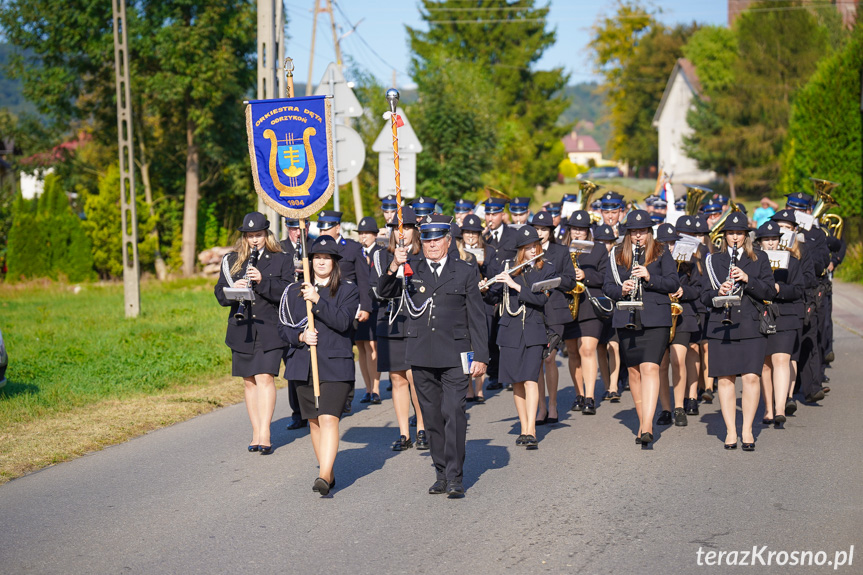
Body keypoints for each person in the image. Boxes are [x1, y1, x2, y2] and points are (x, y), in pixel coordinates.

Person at [379, 214, 489, 498]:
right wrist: (395, 264)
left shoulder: (464, 270)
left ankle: (455, 476)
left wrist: (482, 356)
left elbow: (477, 316)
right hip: (422, 353)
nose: (432, 245)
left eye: (438, 239)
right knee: (432, 417)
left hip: (455, 353)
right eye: (427, 240)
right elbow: (384, 292)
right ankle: (440, 472)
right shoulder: (409, 268)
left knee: (453, 412)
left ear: (449, 241)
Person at [279, 236, 359, 495]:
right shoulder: (294, 291)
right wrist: (301, 337)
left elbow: (345, 323)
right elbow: (283, 328)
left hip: (335, 365)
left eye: (327, 258)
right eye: (317, 258)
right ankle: (329, 471)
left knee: (328, 417)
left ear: (335, 263)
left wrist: (317, 300)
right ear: (310, 262)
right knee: (313, 421)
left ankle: (323, 475)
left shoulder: (347, 289)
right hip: (304, 365)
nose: (321, 262)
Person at [215, 212, 293, 454]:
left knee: (265, 378)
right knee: (249, 382)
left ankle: (266, 433)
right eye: (250, 236)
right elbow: (219, 294)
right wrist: (233, 289)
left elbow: (288, 292)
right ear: (244, 237)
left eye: (258, 235)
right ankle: (255, 431)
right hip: (242, 329)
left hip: (270, 329)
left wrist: (262, 281)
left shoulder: (282, 259)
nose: (254, 240)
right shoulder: (232, 260)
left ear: (266, 234)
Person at [603, 210, 679, 447]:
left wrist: (649, 277)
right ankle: (642, 421)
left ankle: (648, 425)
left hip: (655, 318)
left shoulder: (661, 252)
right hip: (627, 317)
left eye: (643, 231)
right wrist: (622, 289)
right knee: (634, 371)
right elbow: (607, 287)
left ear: (649, 232)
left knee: (650, 368)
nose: (638, 236)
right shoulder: (616, 254)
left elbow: (673, 283)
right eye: (634, 232)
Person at [701, 212, 776, 451]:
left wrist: (747, 278)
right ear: (724, 235)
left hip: (751, 325)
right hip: (721, 326)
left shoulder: (760, 258)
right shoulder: (713, 260)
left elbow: (769, 292)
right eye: (731, 233)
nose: (735, 237)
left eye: (740, 233)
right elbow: (703, 296)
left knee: (752, 377)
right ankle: (731, 431)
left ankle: (747, 430)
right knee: (725, 378)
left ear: (746, 236)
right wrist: (718, 293)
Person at [483, 226, 558, 449]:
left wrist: (515, 284)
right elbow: (494, 298)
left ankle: (531, 430)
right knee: (516, 381)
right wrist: (485, 290)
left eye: (535, 246)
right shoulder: (508, 268)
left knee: (530, 378)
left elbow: (541, 300)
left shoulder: (546, 270)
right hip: (509, 330)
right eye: (527, 248)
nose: (533, 251)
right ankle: (523, 426)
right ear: (520, 251)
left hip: (534, 330)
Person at [369, 207, 428, 451]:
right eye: (396, 228)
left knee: (417, 377)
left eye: (407, 227)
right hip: (391, 321)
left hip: (417, 320)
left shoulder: (425, 255)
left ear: (416, 230)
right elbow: (378, 290)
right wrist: (394, 265)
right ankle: (404, 432)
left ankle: (422, 427)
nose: (401, 232)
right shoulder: (382, 257)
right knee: (397, 378)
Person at [316, 210, 371, 414]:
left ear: (337, 227)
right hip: (322, 303)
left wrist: (365, 306)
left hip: (348, 305)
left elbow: (363, 279)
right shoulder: (316, 248)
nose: (323, 230)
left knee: (345, 348)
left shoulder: (353, 248)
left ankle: (345, 394)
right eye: (321, 227)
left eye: (327, 227)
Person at [755, 221, 804, 429]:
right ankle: (768, 407)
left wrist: (778, 289)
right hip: (760, 316)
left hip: (786, 316)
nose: (771, 243)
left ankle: (780, 408)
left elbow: (799, 289)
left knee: (781, 359)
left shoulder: (791, 262)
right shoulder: (753, 261)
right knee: (765, 364)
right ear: (760, 242)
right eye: (766, 240)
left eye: (774, 239)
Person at [530, 211, 577, 423]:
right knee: (537, 360)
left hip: (555, 310)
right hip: (533, 310)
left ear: (551, 231)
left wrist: (553, 280)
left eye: (544, 229)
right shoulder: (527, 250)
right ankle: (541, 407)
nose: (540, 233)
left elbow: (571, 281)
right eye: (537, 229)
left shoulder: (560, 251)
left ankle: (553, 405)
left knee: (550, 358)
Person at [654, 223, 700, 427]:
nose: (669, 247)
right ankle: (665, 408)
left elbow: (699, 289)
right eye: (665, 244)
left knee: (678, 360)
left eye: (672, 243)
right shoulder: (653, 262)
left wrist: (684, 291)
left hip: (682, 316)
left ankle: (679, 406)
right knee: (662, 364)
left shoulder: (689, 262)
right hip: (659, 315)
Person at [563, 210, 608, 415]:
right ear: (570, 230)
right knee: (573, 352)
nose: (578, 233)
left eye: (582, 229)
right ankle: (579, 394)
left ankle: (590, 396)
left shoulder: (598, 249)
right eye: (575, 229)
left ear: (588, 230)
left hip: (589, 305)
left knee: (587, 349)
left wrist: (585, 275)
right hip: (568, 306)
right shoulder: (561, 250)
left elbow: (606, 277)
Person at [459, 214, 497, 404]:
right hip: (463, 304)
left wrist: (485, 283)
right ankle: (468, 389)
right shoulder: (458, 252)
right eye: (467, 233)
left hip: (483, 301)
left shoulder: (488, 251)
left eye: (474, 233)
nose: (471, 236)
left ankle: (480, 389)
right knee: (466, 347)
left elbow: (494, 275)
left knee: (481, 344)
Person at [482, 197, 518, 390]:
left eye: (494, 214)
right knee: (491, 335)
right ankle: (495, 374)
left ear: (502, 215)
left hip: (508, 290)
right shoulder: (483, 237)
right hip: (489, 291)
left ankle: (511, 374)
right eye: (488, 214)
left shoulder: (512, 235)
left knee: (509, 335)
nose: (490, 218)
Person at [280, 217, 308, 431]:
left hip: (310, 307)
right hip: (288, 310)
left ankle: (315, 406)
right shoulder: (280, 249)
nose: (297, 233)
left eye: (300, 228)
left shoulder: (315, 246)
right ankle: (297, 412)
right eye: (293, 229)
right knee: (292, 361)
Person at [355, 216, 384, 405]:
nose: (364, 237)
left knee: (373, 346)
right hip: (358, 304)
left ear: (375, 235)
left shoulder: (380, 253)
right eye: (361, 233)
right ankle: (367, 388)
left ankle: (376, 388)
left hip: (376, 305)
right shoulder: (356, 253)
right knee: (362, 346)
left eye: (367, 233)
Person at [592, 224, 621, 402]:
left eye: (608, 242)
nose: (604, 245)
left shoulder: (618, 258)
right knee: (601, 347)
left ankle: (614, 385)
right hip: (598, 305)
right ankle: (606, 384)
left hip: (615, 305)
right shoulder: (594, 256)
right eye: (601, 242)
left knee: (614, 346)